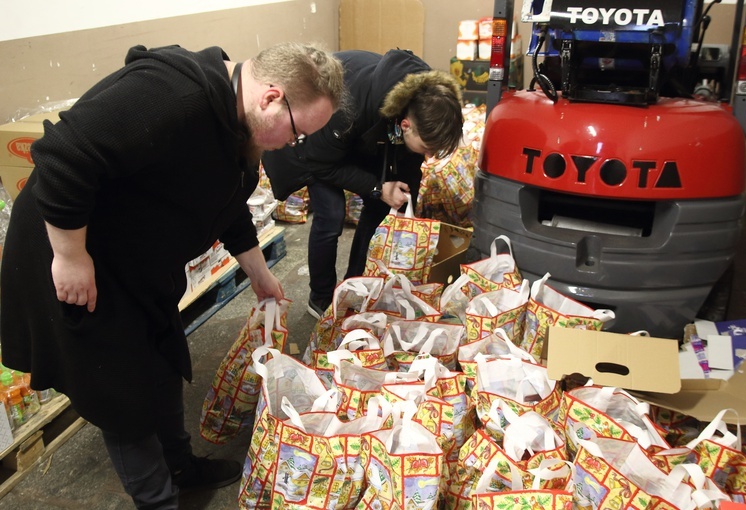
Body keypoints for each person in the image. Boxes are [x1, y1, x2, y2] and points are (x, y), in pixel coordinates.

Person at [0, 42, 344, 509]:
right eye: (298, 133)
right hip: (73, 250)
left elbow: (226, 202)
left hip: (134, 260)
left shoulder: (239, 122)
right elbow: (62, 154)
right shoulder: (172, 96)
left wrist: (258, 272)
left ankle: (180, 466)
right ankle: (158, 500)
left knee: (161, 359)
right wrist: (71, 256)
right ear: (270, 97)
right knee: (122, 393)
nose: (292, 145)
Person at [261, 49, 464, 318]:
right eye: (426, 148)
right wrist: (378, 188)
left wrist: (402, 199)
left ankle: (353, 287)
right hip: (315, 144)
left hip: (360, 137)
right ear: (405, 125)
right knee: (331, 213)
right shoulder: (348, 108)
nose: (428, 156)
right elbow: (321, 162)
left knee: (381, 209)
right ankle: (320, 296)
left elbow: (408, 164)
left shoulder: (424, 102)